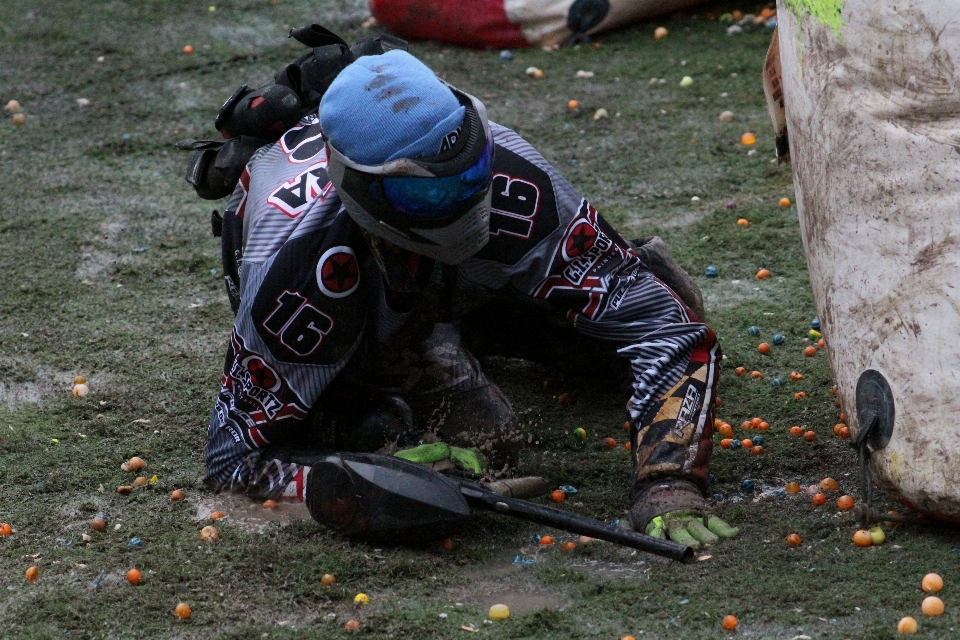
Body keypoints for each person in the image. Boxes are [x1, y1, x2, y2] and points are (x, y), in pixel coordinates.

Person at [200, 47, 737, 549]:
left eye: (471, 169)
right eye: (428, 191)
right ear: (360, 188)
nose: (463, 197)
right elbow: (232, 460)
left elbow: (666, 332)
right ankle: (379, 393)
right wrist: (362, 479)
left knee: (660, 312)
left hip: (455, 281)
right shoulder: (300, 282)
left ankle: (497, 318)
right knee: (463, 434)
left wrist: (668, 482)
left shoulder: (511, 175)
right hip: (359, 317)